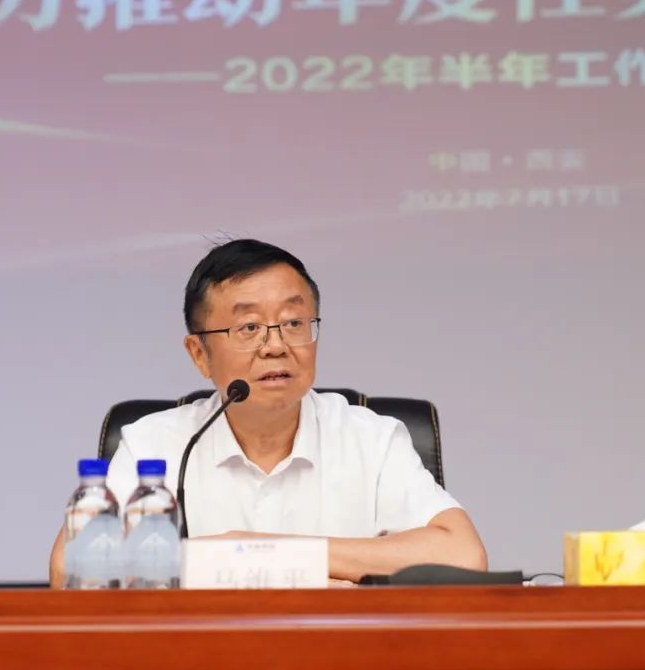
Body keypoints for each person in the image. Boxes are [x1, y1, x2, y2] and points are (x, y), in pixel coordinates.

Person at [50, 239, 485, 587]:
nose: (276, 345)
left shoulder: (371, 437)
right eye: (249, 328)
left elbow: (463, 556)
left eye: (294, 323)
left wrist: (259, 552)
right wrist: (306, 575)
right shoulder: (154, 443)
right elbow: (71, 569)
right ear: (199, 353)